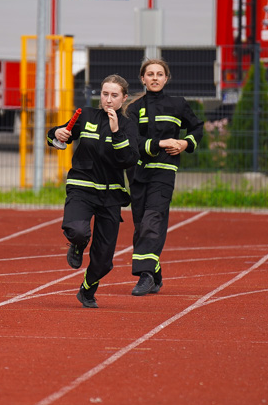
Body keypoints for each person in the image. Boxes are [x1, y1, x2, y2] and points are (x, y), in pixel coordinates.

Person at [48, 74, 140, 308]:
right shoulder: (87, 115)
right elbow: (61, 134)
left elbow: (128, 159)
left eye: (114, 95)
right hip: (82, 186)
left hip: (110, 194)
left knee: (104, 259)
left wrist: (116, 131)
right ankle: (78, 246)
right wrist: (55, 134)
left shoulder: (128, 125)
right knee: (77, 230)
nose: (108, 100)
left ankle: (87, 290)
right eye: (105, 94)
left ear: (124, 98)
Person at [127, 58, 204, 296]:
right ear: (143, 79)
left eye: (160, 74)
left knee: (153, 220)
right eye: (150, 74)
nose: (155, 78)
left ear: (166, 78)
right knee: (141, 227)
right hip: (138, 173)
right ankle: (156, 272)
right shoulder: (133, 108)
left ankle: (145, 275)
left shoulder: (177, 104)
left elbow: (197, 128)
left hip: (164, 172)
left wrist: (184, 143)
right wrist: (159, 143)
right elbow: (131, 142)